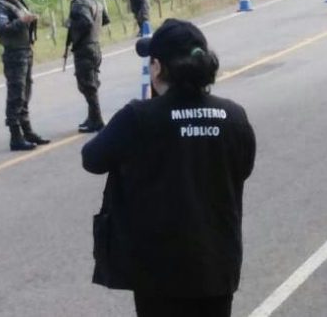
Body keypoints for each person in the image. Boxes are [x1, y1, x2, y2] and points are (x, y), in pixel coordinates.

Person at [81, 18, 256, 317]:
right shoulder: (233, 115)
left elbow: (92, 159)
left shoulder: (138, 117)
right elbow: (243, 168)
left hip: (158, 272)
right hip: (217, 264)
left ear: (158, 67)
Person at [0, 0, 50, 151]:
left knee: (25, 93)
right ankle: (15, 136)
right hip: (14, 55)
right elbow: (3, 28)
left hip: (25, 52)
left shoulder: (18, 3)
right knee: (16, 95)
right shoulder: (1, 8)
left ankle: (27, 131)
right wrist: (22, 21)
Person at [66, 0, 110, 134]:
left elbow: (85, 22)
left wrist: (73, 27)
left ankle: (96, 119)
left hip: (84, 48)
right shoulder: (94, 0)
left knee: (87, 85)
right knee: (91, 82)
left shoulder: (79, 4)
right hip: (95, 46)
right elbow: (105, 20)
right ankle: (92, 116)